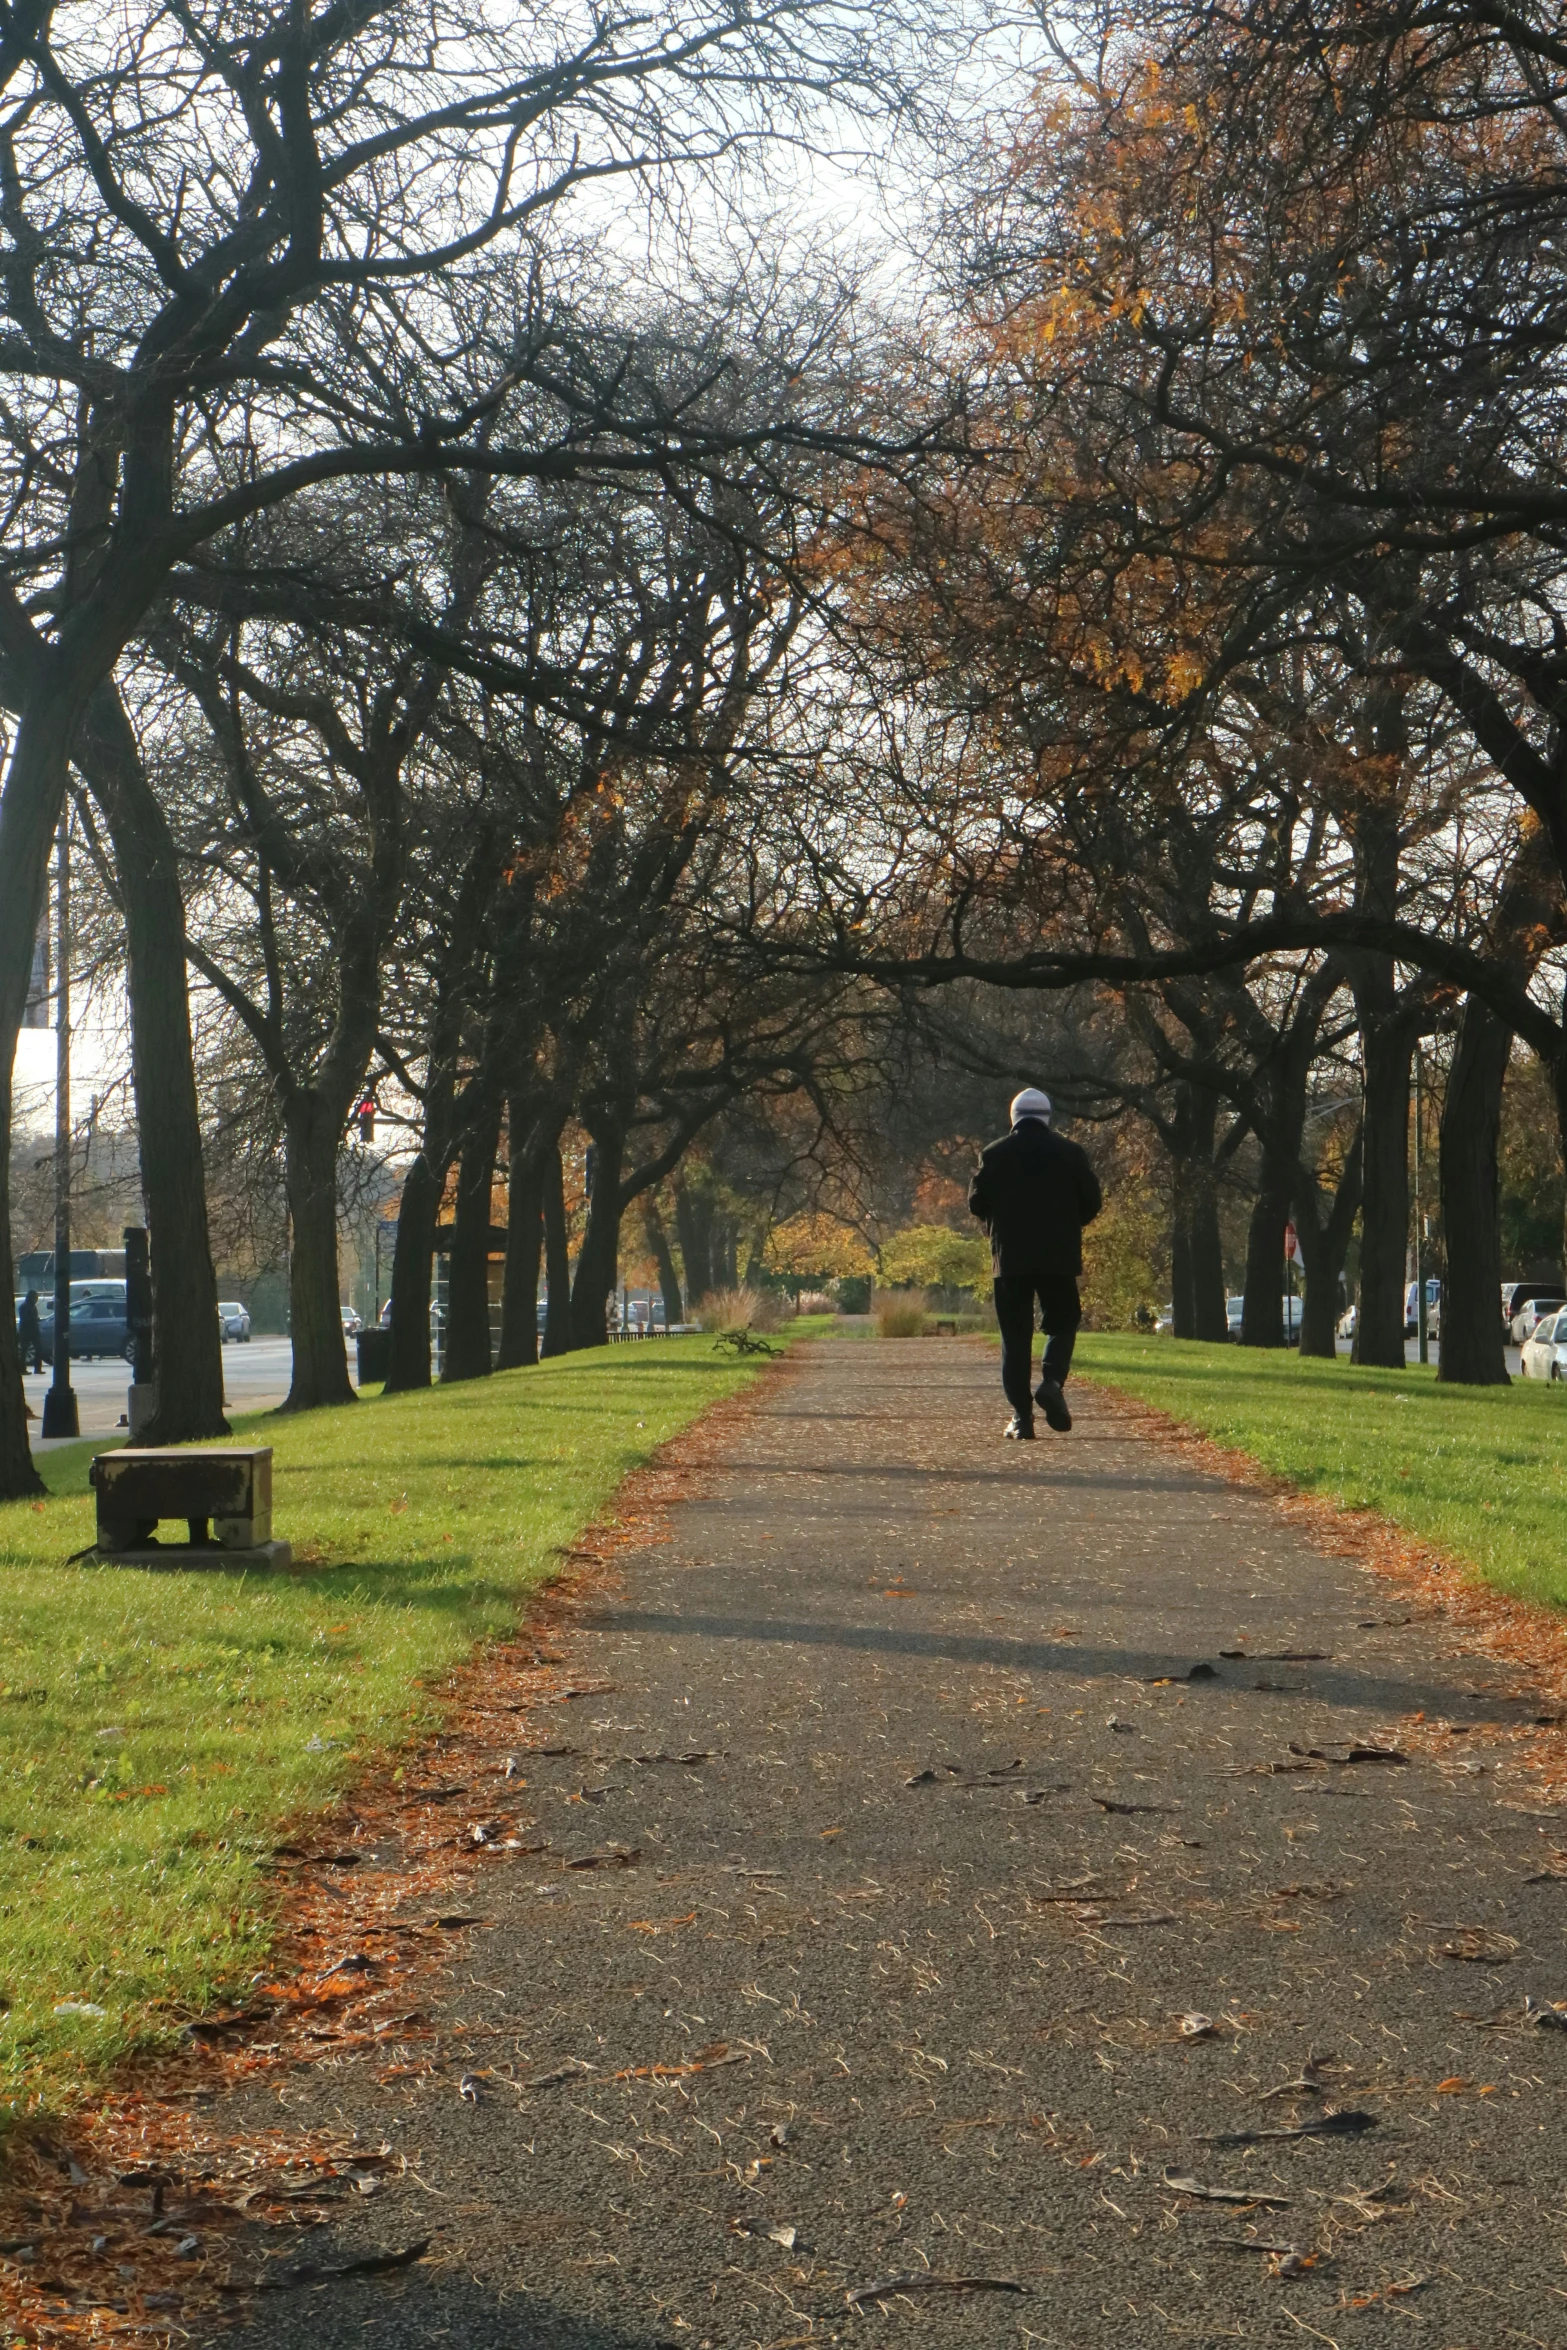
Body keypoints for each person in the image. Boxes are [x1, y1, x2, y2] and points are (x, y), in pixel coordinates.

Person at [968, 1088, 1102, 1440]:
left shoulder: (994, 1154)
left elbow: (976, 1202)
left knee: (1015, 1336)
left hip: (1010, 1258)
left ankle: (1021, 1417)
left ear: (1013, 1118)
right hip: (1058, 1256)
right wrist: (1070, 1223)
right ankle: (1052, 1380)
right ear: (1046, 1117)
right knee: (1063, 1322)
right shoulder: (1071, 1153)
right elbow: (1092, 1201)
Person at [16, 1289, 44, 1374]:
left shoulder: (33, 1306)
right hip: (26, 1331)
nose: (36, 1300)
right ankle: (22, 1368)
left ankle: (38, 1368)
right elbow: (25, 1319)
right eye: (35, 1297)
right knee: (24, 1350)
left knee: (38, 1348)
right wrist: (34, 1319)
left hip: (34, 1330)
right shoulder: (24, 1307)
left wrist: (36, 1320)